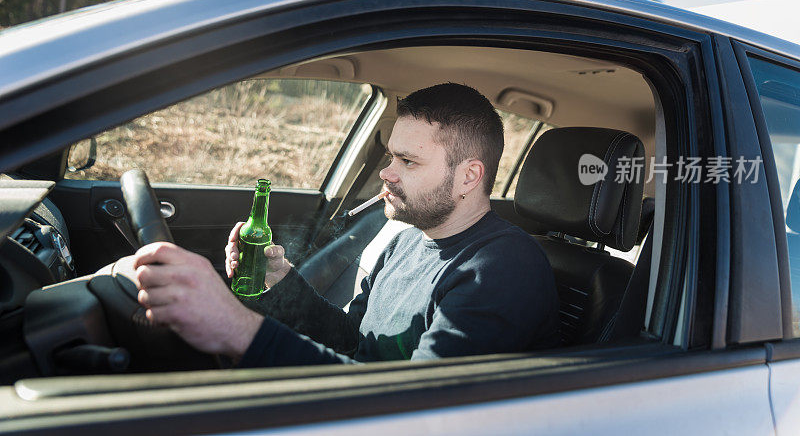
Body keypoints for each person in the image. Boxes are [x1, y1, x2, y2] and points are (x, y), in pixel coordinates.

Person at [133, 83, 559, 366]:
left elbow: (417, 409)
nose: (387, 174)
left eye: (408, 161)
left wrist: (238, 328)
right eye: (391, 157)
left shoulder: (502, 269)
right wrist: (279, 283)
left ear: (469, 176)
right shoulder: (407, 241)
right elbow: (352, 340)